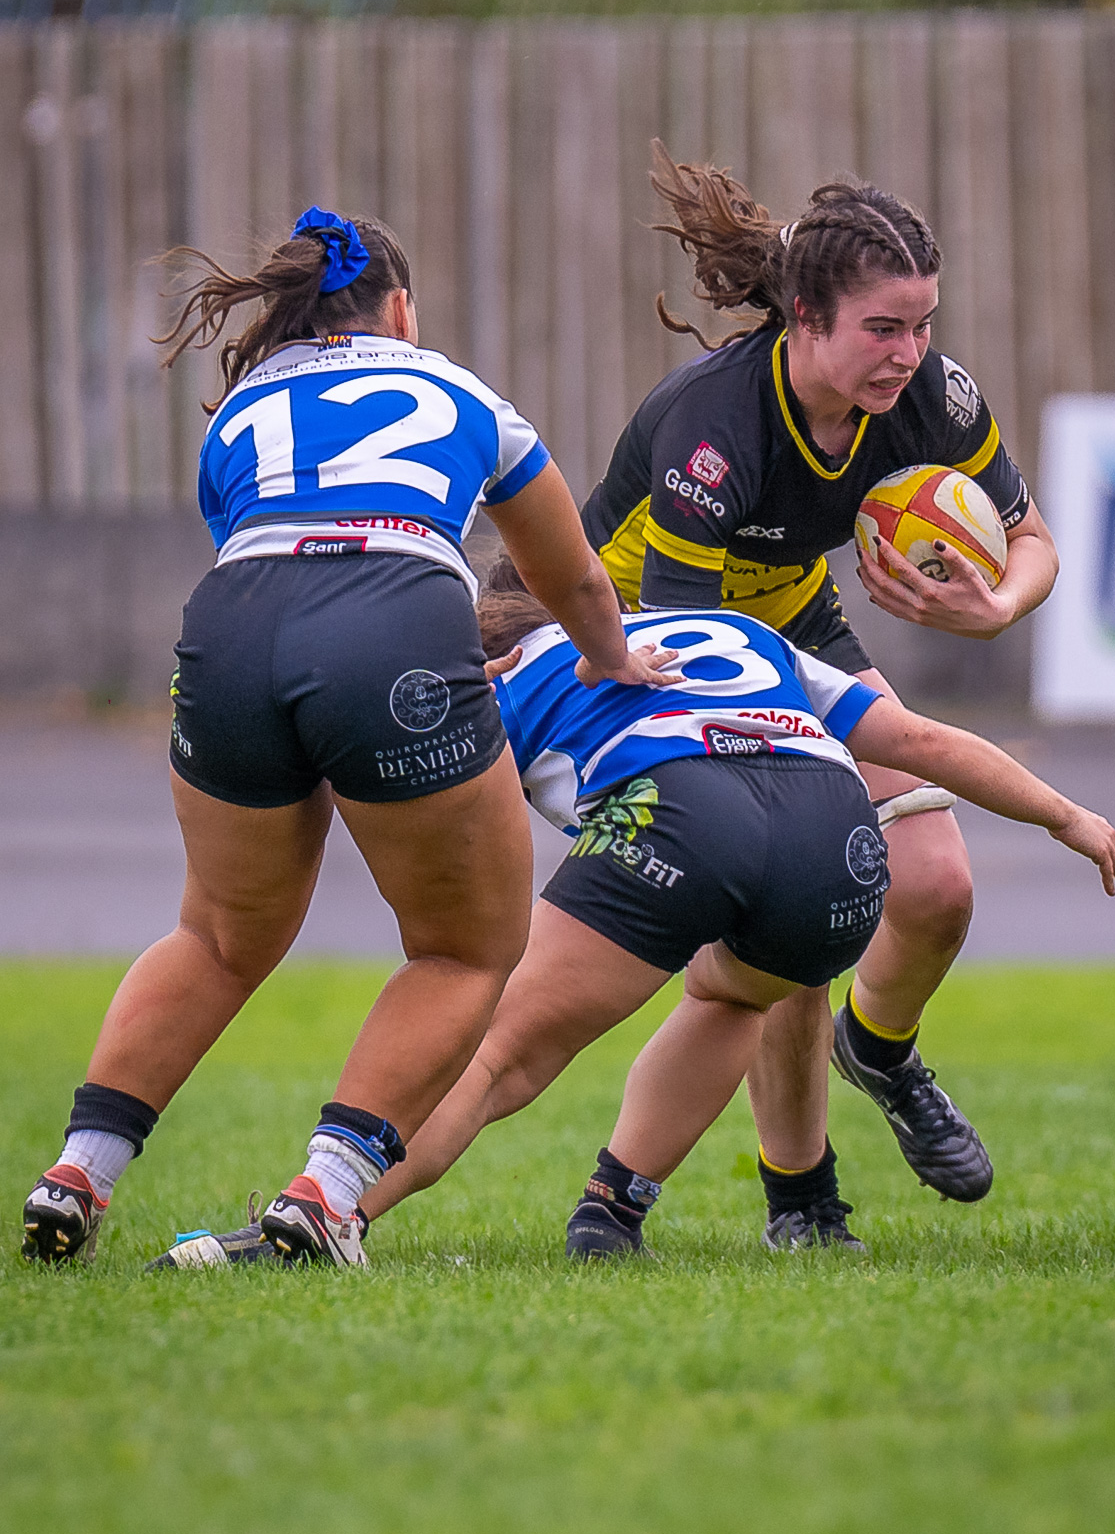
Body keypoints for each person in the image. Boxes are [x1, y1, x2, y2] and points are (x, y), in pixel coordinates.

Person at [21, 206, 673, 1270]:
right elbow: (571, 576)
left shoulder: (237, 410)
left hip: (231, 630)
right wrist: (610, 658)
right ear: (400, 309)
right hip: (392, 622)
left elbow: (265, 570)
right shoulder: (458, 391)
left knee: (220, 935)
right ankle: (324, 1196)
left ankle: (79, 1171)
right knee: (467, 947)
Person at [335, 573, 1115, 1264]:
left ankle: (328, 1216)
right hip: (838, 845)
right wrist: (1064, 816)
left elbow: (422, 806)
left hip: (678, 811)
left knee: (494, 1056)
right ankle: (611, 1210)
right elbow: (917, 738)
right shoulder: (746, 633)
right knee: (732, 995)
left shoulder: (508, 675)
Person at [579, 143, 1061, 1208]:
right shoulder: (718, 420)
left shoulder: (929, 396)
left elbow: (1033, 544)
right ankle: (797, 1200)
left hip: (786, 615)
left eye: (921, 323)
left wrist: (996, 605)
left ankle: (880, 1052)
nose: (908, 353)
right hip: (632, 645)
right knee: (800, 902)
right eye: (881, 329)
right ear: (802, 319)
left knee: (935, 885)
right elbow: (682, 635)